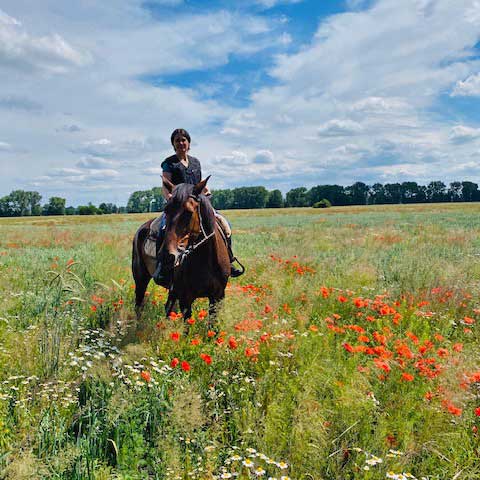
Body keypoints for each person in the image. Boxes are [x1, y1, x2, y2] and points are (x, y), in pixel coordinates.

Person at [152, 128, 244, 286]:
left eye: (183, 140)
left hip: (197, 204)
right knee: (161, 228)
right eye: (177, 140)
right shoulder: (169, 163)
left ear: (188, 143)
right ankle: (162, 267)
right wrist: (170, 198)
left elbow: (199, 183)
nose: (181, 143)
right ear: (173, 144)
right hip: (177, 207)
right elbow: (165, 187)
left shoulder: (196, 162)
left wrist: (206, 191)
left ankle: (229, 260)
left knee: (225, 225)